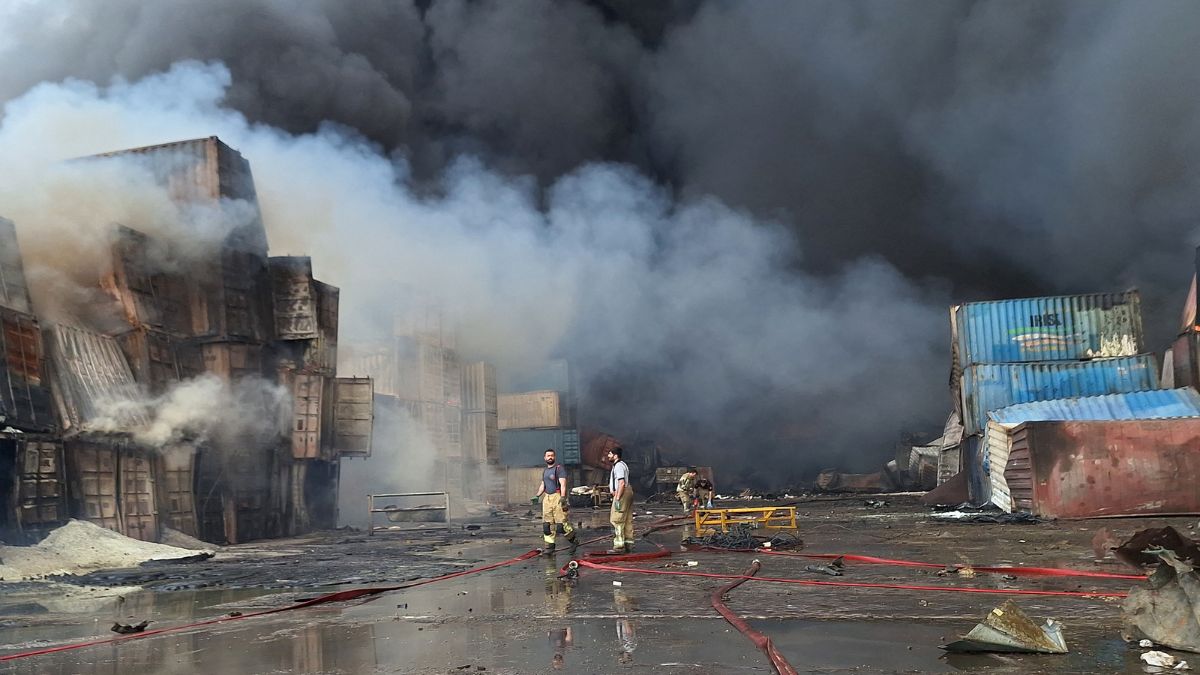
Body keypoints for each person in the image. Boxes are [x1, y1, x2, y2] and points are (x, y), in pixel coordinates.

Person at [534, 449, 578, 555]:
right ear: (544, 458)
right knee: (547, 525)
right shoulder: (545, 471)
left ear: (554, 457)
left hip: (557, 497)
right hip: (547, 498)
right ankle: (549, 547)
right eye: (548, 456)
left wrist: (563, 498)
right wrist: (537, 495)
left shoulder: (559, 469)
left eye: (552, 456)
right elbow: (542, 485)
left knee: (561, 526)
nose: (550, 457)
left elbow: (563, 484)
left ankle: (573, 541)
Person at [606, 446, 634, 553]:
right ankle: (628, 544)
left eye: (610, 454)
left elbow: (621, 483)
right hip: (627, 491)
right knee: (627, 519)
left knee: (617, 519)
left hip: (622, 493)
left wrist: (617, 498)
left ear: (615, 455)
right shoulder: (622, 465)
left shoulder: (618, 466)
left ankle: (619, 546)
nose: (608, 456)